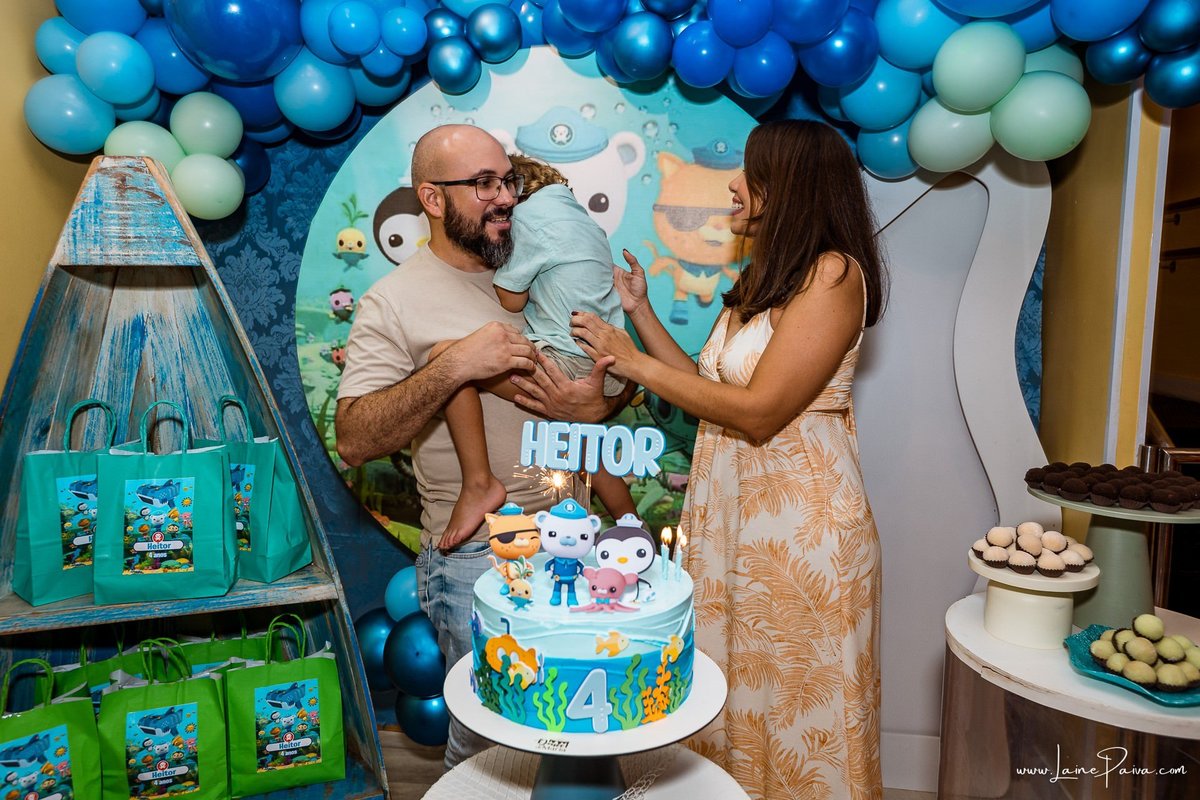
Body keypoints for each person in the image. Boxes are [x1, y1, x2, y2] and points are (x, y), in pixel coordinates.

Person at [569, 119, 886, 800]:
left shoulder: (834, 275)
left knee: (799, 710)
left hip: (801, 533)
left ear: (792, 185)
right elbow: (711, 396)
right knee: (731, 693)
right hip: (734, 525)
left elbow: (761, 410)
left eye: (752, 173)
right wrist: (641, 316)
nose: (735, 186)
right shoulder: (763, 282)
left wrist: (629, 362)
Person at [335, 124, 630, 769]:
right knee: (492, 748)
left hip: (577, 544)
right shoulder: (394, 301)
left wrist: (604, 402)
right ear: (433, 200)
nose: (504, 198)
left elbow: (610, 381)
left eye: (508, 181)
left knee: (577, 738)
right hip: (481, 554)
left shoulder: (544, 265)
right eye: (482, 184)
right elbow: (355, 439)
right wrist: (454, 366)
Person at [434, 153, 634, 545]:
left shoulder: (528, 219)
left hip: (570, 362)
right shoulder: (584, 221)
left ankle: (478, 483)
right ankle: (632, 524)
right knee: (582, 444)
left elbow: (510, 298)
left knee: (447, 357)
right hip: (610, 366)